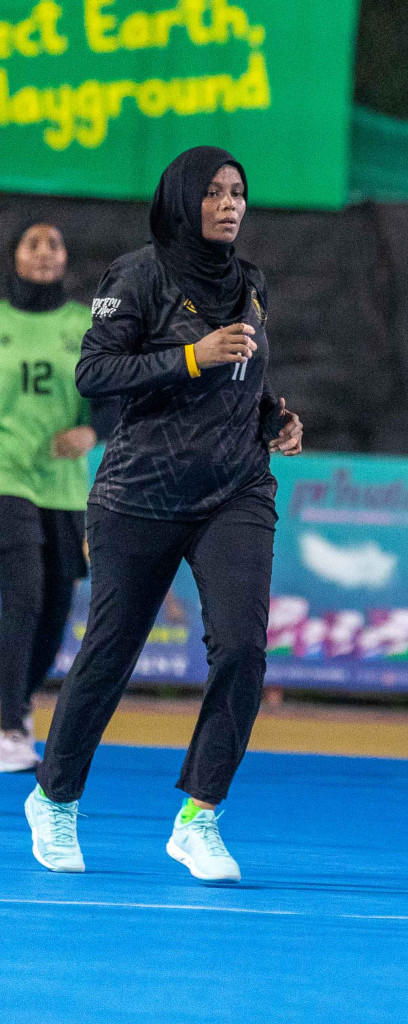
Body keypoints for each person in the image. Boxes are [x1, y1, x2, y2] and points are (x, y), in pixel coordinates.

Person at [23, 147, 303, 884]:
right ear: (182, 199)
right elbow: (95, 373)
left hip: (236, 490)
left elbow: (247, 378)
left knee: (242, 650)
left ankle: (199, 815)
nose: (228, 204)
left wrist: (274, 418)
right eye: (212, 192)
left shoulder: (252, 283)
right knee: (109, 656)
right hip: (139, 495)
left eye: (238, 192)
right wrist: (192, 355)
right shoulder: (138, 274)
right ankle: (54, 798)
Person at [0, 221, 98, 772]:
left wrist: (93, 431)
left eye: (53, 244)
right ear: (14, 256)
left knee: (56, 607)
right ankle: (7, 726)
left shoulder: (82, 324)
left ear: (65, 257)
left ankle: (16, 699)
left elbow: (113, 393)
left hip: (63, 485)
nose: (43, 253)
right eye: (31, 243)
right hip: (5, 475)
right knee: (22, 593)